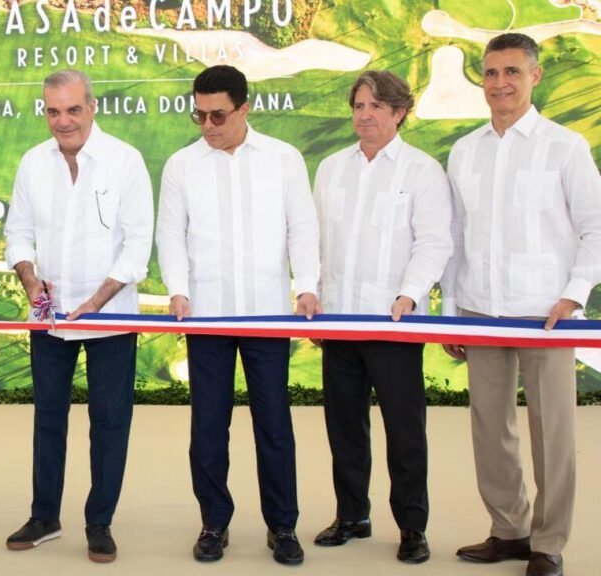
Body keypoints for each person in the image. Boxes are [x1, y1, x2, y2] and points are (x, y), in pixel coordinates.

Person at [442, 33, 601, 576]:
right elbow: (455, 236)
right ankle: (509, 530)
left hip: (547, 314)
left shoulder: (565, 146)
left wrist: (574, 294)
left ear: (535, 76)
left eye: (512, 71)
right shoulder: (465, 151)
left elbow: (595, 227)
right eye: (490, 72)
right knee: (490, 428)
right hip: (480, 309)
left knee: (552, 431)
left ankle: (549, 542)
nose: (500, 83)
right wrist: (452, 310)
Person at [155, 64, 319, 565]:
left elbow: (301, 226)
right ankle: (213, 523)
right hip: (206, 316)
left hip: (268, 315)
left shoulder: (283, 159)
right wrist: (178, 290)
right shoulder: (181, 166)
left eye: (218, 115)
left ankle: (283, 527)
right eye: (199, 115)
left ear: (245, 108)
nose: (207, 125)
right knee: (208, 428)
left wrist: (307, 286)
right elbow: (171, 234)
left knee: (274, 425)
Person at [3, 69, 153, 563]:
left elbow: (138, 246)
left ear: (92, 107)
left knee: (109, 422)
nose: (62, 121)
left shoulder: (125, 161)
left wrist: (98, 300)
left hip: (110, 318)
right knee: (48, 418)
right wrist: (30, 281)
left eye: (72, 109)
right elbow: (18, 234)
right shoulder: (33, 162)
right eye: (53, 111)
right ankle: (44, 516)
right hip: (50, 318)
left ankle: (99, 522)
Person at [311, 70, 452, 564]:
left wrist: (410, 295)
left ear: (399, 112)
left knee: (404, 431)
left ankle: (412, 527)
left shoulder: (422, 171)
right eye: (359, 106)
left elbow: (434, 243)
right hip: (339, 322)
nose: (364, 115)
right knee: (344, 427)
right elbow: (317, 242)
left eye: (375, 106)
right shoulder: (330, 168)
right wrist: (314, 297)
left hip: (394, 324)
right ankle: (352, 515)